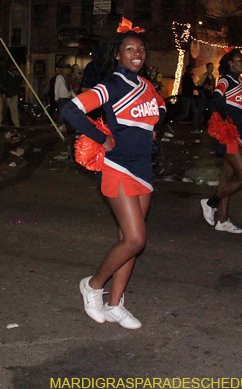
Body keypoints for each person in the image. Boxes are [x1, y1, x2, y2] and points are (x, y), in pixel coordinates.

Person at [62, 19, 166, 330]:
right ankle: (93, 285)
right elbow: (71, 111)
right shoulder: (111, 85)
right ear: (118, 55)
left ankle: (116, 304)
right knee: (136, 239)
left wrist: (155, 132)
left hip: (143, 169)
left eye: (141, 49)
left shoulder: (146, 86)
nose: (137, 53)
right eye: (130, 49)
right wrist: (101, 138)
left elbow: (161, 109)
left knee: (128, 240)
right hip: (117, 166)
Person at [200, 49, 242, 234]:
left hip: (239, 134)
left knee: (227, 177)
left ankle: (222, 221)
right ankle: (210, 202)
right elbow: (216, 98)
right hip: (229, 134)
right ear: (231, 64)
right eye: (239, 60)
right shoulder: (225, 80)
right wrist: (225, 118)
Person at [164, 64, 201, 136]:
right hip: (187, 97)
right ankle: (172, 123)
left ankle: (195, 128)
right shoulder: (187, 77)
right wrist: (201, 88)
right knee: (186, 113)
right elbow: (191, 87)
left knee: (194, 112)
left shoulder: (187, 77)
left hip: (188, 97)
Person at [54, 64, 76, 133]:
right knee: (61, 112)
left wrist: (75, 97)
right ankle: (60, 125)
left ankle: (66, 125)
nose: (69, 71)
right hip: (62, 97)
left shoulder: (68, 78)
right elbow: (56, 87)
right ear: (65, 69)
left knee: (67, 112)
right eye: (68, 69)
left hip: (67, 98)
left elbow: (70, 89)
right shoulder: (59, 77)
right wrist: (56, 97)